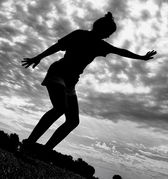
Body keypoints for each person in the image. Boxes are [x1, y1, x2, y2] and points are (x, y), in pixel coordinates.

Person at [21, 12, 156, 150]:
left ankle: (45, 150)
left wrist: (141, 57)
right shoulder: (79, 34)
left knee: (73, 121)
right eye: (109, 33)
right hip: (58, 73)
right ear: (102, 29)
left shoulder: (101, 45)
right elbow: (57, 47)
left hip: (71, 82)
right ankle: (29, 143)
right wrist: (38, 57)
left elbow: (121, 51)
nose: (108, 36)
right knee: (60, 108)